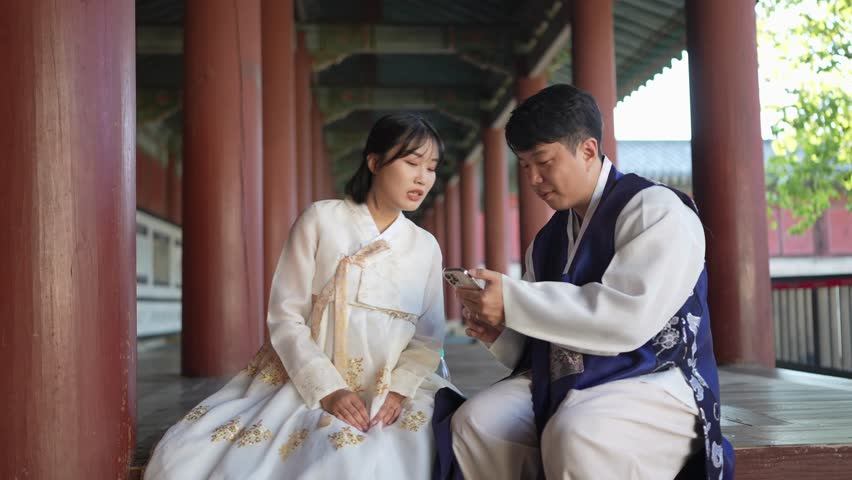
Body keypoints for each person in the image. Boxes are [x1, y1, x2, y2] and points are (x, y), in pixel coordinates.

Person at [433, 84, 734, 480]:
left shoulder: (656, 210)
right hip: (575, 380)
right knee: (477, 422)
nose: (534, 178)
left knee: (578, 431)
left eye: (543, 162)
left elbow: (627, 319)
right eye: (525, 166)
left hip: (655, 378)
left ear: (588, 150)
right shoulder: (548, 240)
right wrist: (501, 329)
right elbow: (544, 344)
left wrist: (514, 301)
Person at [145, 113, 457, 479]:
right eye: (412, 162)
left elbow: (428, 336)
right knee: (333, 456)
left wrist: (398, 393)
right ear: (374, 162)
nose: (423, 178)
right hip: (310, 379)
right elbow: (286, 317)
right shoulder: (322, 220)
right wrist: (329, 390)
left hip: (394, 387)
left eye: (432, 168)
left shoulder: (425, 246)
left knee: (434, 440)